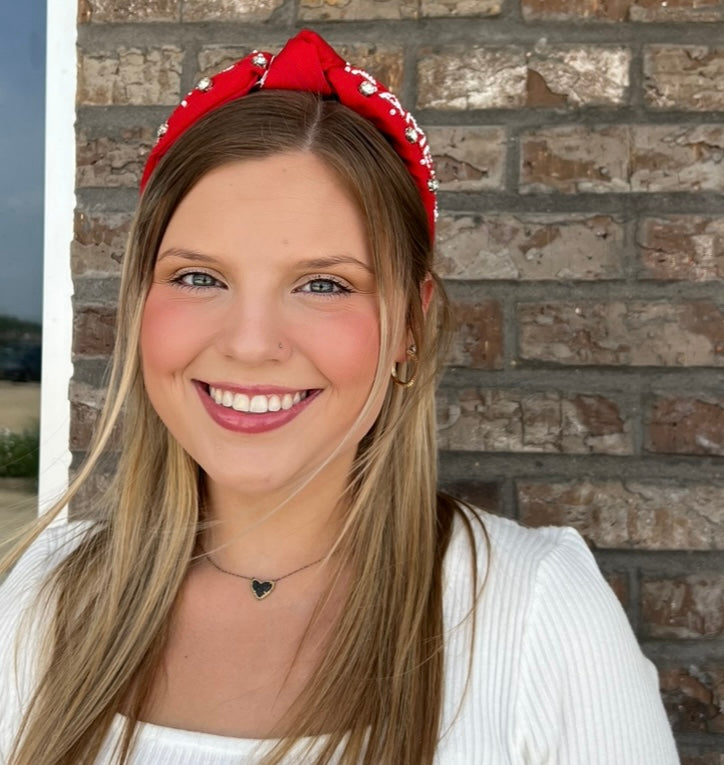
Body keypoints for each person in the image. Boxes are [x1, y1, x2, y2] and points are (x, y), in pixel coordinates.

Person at [0, 29, 679, 765]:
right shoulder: (45, 597)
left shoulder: (537, 615)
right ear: (139, 302)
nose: (251, 342)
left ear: (409, 327)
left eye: (324, 284)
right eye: (200, 276)